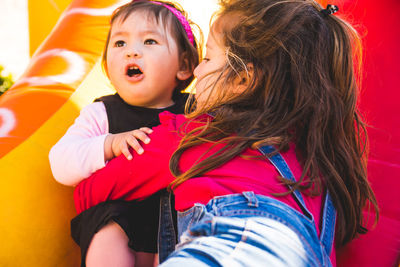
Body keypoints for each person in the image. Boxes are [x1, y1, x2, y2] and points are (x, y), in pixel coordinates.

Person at [73, 0, 379, 266]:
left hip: (237, 242)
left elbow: (97, 189)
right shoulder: (317, 155)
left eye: (207, 59)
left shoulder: (201, 131)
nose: (197, 72)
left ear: (242, 79)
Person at [49, 1, 201, 266]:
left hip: (174, 225)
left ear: (184, 66)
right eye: (120, 43)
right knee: (108, 231)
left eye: (150, 41)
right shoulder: (102, 112)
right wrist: (108, 144)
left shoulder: (196, 110)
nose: (132, 52)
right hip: (118, 223)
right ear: (107, 66)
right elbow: (60, 162)